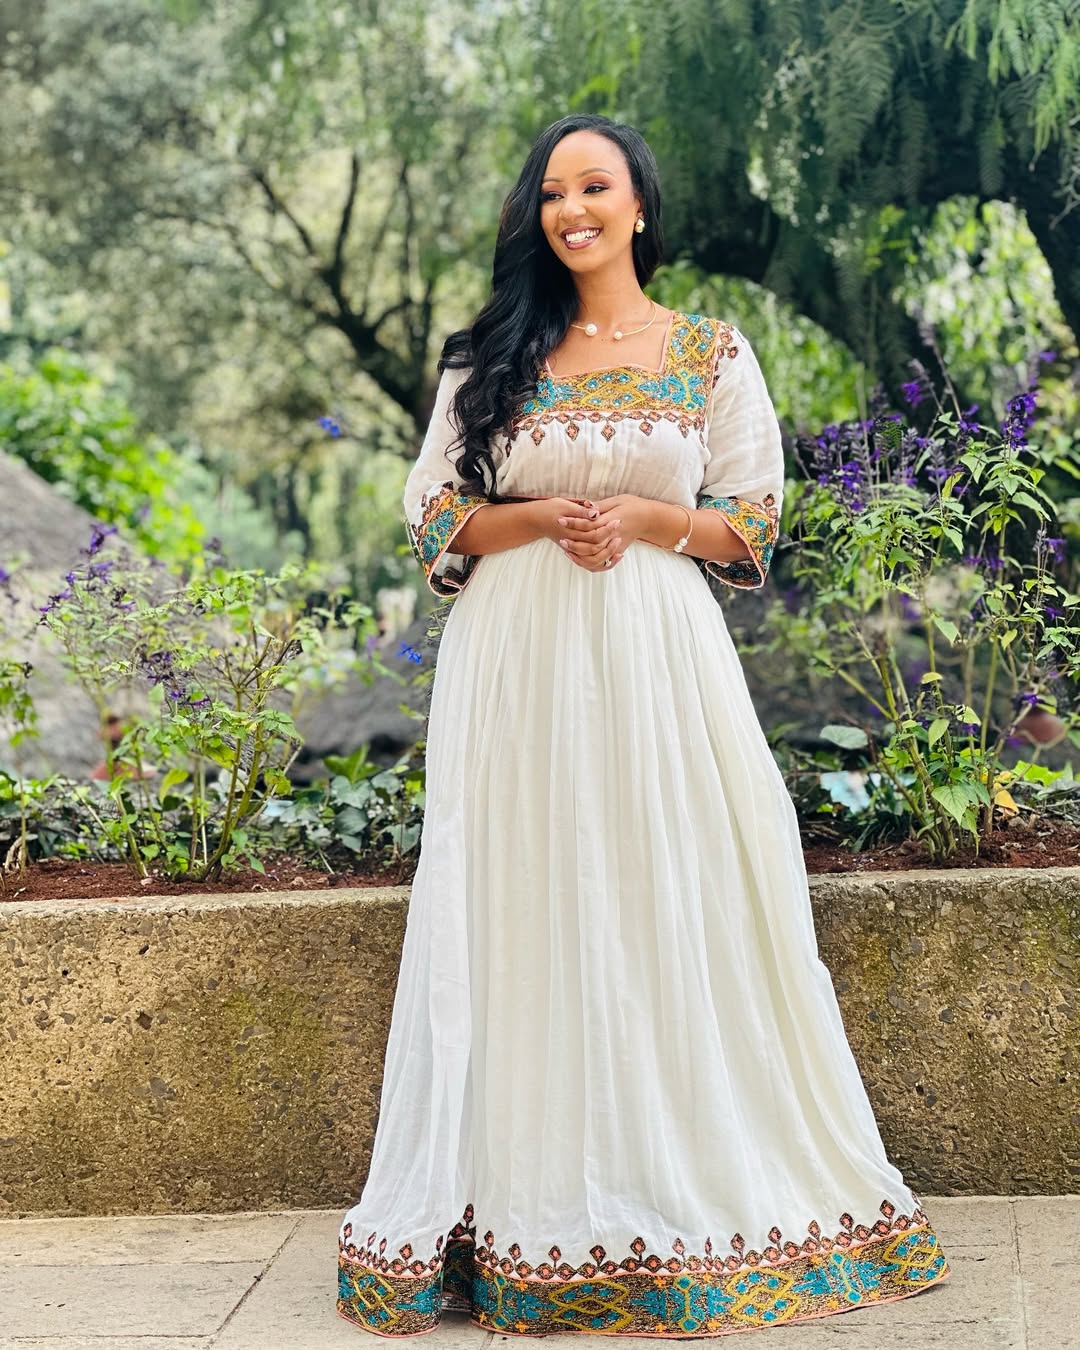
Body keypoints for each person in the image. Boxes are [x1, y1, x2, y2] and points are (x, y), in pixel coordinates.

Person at [337, 113, 950, 1339]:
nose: (574, 209)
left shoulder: (710, 351)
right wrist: (544, 517)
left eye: (596, 186)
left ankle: (686, 1187)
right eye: (554, 191)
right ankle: (518, 1206)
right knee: (521, 900)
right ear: (537, 214)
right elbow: (430, 514)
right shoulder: (487, 358)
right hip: (515, 660)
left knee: (673, 888)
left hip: (660, 659)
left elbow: (753, 526)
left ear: (638, 208)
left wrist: (643, 516)